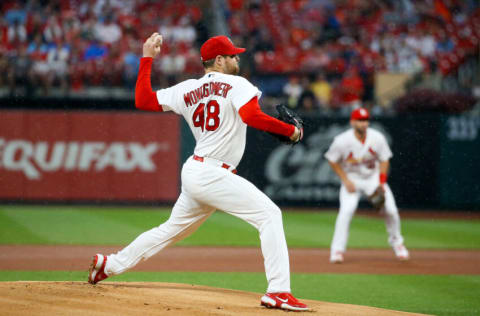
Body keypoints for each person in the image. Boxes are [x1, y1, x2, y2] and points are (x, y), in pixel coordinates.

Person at [88, 33, 309, 312]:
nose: (237, 58)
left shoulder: (186, 89)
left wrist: (147, 58)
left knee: (170, 230)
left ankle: (109, 265)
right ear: (219, 60)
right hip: (213, 173)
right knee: (269, 215)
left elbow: (143, 100)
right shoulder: (238, 83)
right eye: (232, 55)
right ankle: (278, 291)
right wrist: (290, 130)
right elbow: (251, 116)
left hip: (197, 170)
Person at [324, 107, 409, 263]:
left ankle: (398, 244)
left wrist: (382, 182)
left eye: (365, 120)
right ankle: (337, 251)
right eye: (360, 120)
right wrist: (345, 180)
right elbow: (332, 159)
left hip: (373, 178)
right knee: (346, 212)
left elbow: (384, 159)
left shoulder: (377, 138)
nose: (363, 123)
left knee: (391, 210)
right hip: (352, 179)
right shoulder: (342, 140)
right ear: (352, 122)